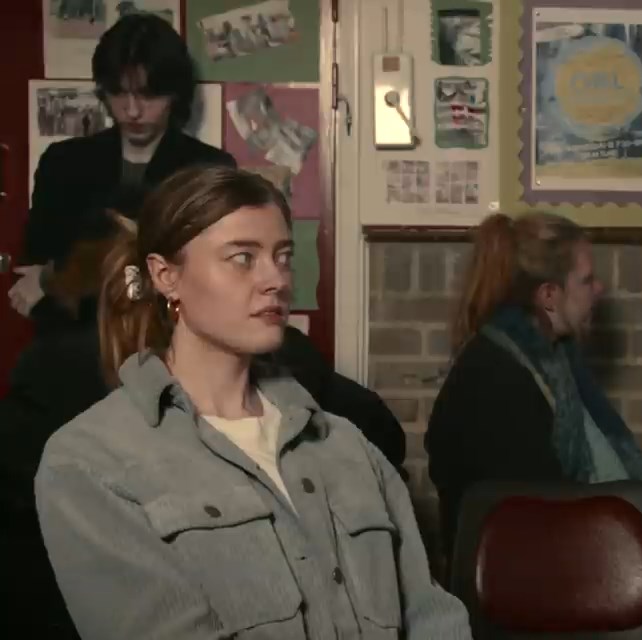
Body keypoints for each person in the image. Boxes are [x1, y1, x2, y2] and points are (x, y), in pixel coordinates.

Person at [33, 166, 470, 639]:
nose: (274, 279)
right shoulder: (91, 461)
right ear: (165, 276)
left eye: (283, 257)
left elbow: (433, 617)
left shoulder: (348, 446)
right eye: (243, 257)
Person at [427, 212, 642, 639]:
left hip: (565, 557)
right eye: (587, 280)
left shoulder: (543, 358)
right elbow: (546, 512)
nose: (599, 289)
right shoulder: (498, 378)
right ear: (549, 295)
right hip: (539, 578)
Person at [9, 12, 233, 327]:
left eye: (148, 94)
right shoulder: (63, 162)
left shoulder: (208, 168)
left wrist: (57, 275)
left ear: (174, 94)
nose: (132, 109)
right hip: (74, 340)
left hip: (171, 338)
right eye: (119, 92)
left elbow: (205, 274)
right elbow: (34, 263)